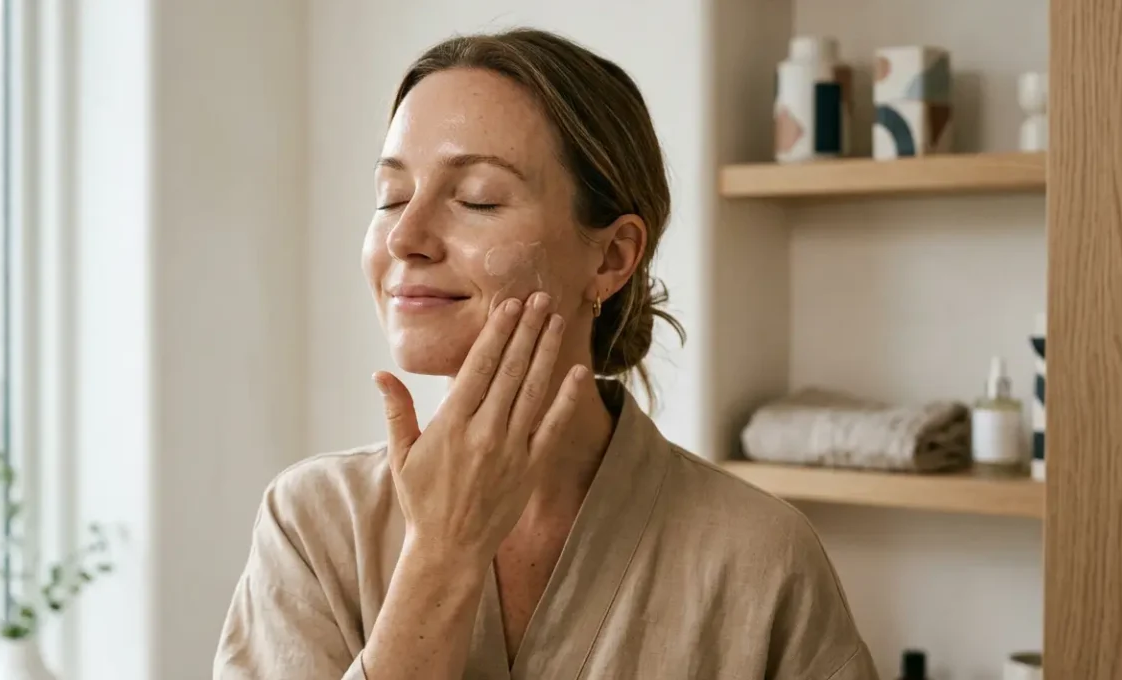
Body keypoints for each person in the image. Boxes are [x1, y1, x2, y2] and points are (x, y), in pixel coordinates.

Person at [214, 27, 877, 680]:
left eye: (476, 198)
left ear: (612, 256)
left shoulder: (760, 556)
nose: (405, 237)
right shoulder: (312, 524)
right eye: (390, 197)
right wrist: (443, 556)